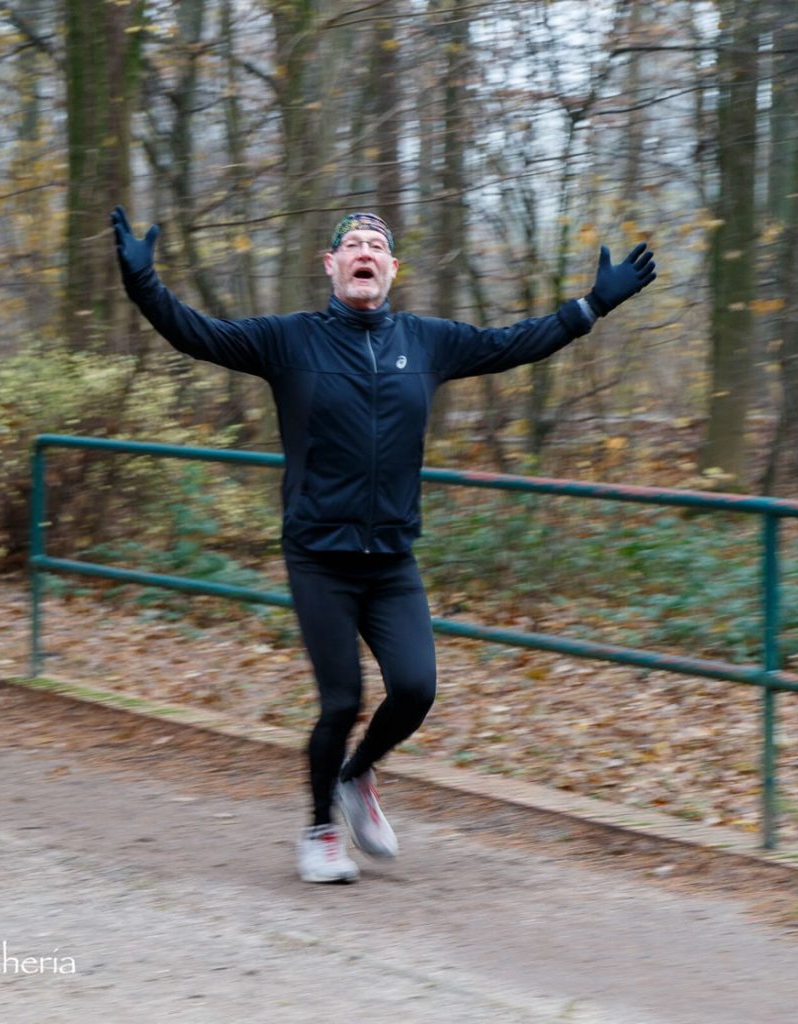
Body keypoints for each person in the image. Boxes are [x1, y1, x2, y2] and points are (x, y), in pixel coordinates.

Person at [110, 206, 656, 883]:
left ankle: (357, 775)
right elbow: (197, 334)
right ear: (330, 265)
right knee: (340, 700)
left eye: (377, 246)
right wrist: (143, 286)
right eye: (352, 245)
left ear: (392, 269)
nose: (364, 252)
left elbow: (515, 342)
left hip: (391, 557)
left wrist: (590, 306)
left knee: (415, 689)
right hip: (317, 555)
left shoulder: (428, 342)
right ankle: (318, 831)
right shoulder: (289, 341)